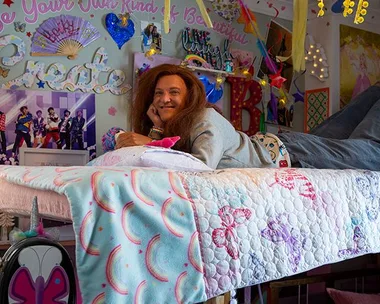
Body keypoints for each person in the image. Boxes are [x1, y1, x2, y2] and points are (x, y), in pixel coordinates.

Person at [115, 64, 380, 170]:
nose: (164, 99)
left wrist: (147, 142)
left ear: (189, 97)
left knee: (370, 152)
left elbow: (200, 167)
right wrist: (157, 130)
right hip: (283, 146)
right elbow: (169, 157)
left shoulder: (204, 118)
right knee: (348, 122)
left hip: (289, 152)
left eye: (174, 92)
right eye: (158, 93)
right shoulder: (178, 126)